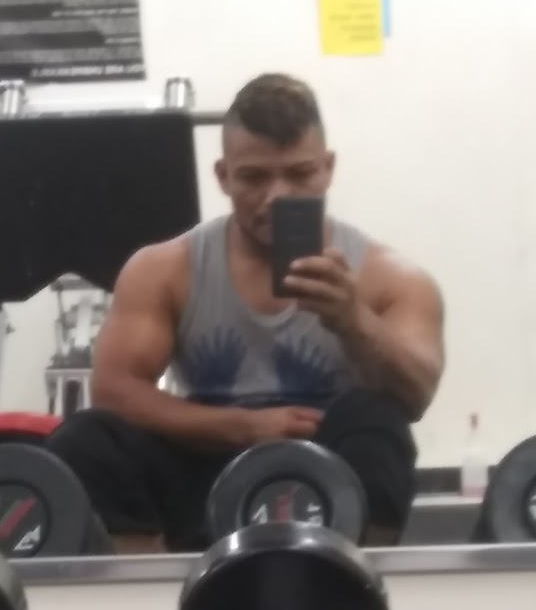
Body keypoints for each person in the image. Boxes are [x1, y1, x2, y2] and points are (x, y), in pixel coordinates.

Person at [48, 73, 445, 552]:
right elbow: (115, 391)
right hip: (205, 466)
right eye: (255, 177)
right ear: (224, 176)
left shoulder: (390, 277)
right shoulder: (165, 269)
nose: (277, 196)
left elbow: (417, 395)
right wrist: (245, 428)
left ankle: (352, 575)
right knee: (87, 438)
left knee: (378, 423)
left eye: (299, 174)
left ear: (327, 169)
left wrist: (353, 320)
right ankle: (146, 583)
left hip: (324, 474)